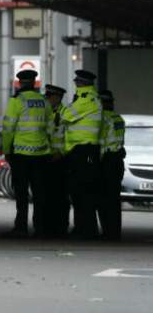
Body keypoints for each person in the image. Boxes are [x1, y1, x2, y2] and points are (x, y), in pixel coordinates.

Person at [2, 70, 50, 238]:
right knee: (39, 193)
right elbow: (51, 128)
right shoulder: (44, 101)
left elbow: (8, 128)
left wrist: (7, 150)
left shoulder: (16, 101)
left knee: (21, 194)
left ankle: (21, 227)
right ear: (34, 83)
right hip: (41, 154)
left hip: (21, 154)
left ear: (20, 83)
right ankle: (40, 227)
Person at [60, 70, 103, 240]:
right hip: (82, 151)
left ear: (81, 83)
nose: (76, 84)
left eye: (77, 82)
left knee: (83, 191)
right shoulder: (87, 99)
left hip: (84, 150)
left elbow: (65, 115)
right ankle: (83, 227)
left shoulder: (87, 100)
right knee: (80, 191)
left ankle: (86, 229)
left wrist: (68, 108)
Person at [43, 84, 71, 238]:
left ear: (58, 98)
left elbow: (70, 136)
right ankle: (47, 227)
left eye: (50, 96)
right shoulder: (44, 112)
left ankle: (61, 227)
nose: (47, 99)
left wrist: (62, 152)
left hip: (61, 160)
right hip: (46, 158)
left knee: (61, 196)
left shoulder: (66, 113)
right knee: (46, 196)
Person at [98, 90, 126, 241]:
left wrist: (94, 162)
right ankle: (115, 232)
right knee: (114, 199)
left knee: (103, 198)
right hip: (117, 160)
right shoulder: (118, 118)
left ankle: (107, 232)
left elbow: (101, 142)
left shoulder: (103, 119)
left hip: (106, 161)